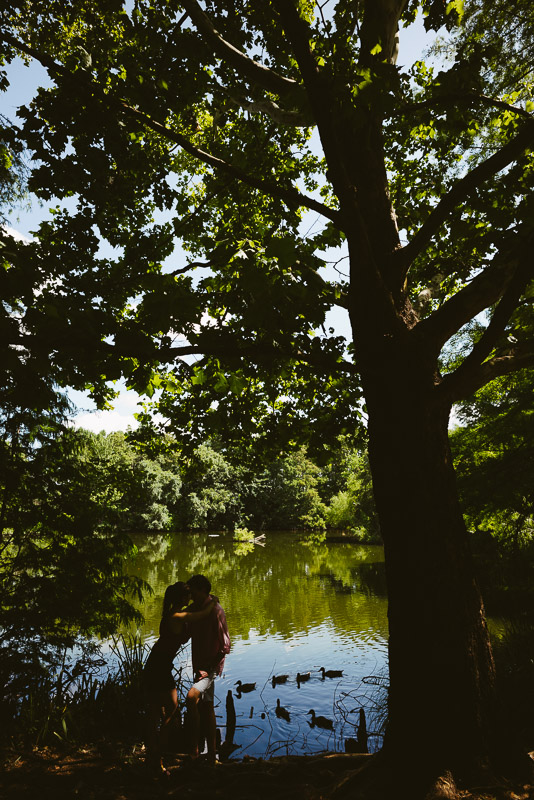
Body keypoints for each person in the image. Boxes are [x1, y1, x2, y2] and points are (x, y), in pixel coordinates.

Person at [142, 581, 216, 775]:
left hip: (155, 664)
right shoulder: (177, 616)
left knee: (153, 712)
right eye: (188, 594)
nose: (191, 597)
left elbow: (183, 632)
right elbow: (201, 615)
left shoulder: (170, 615)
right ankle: (157, 759)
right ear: (181, 598)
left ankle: (152, 757)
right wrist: (212, 602)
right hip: (159, 666)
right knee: (171, 710)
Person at [185, 574, 230, 765]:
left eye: (192, 591)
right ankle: (211, 753)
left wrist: (209, 669)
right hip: (199, 665)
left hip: (210, 667)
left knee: (191, 698)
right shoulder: (196, 609)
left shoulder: (216, 611)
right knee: (207, 706)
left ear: (202, 590)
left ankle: (196, 750)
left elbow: (225, 646)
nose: (190, 595)